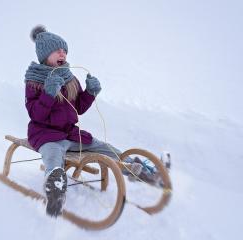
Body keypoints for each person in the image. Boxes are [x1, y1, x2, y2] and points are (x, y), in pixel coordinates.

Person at [24, 25, 166, 217]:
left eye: (65, 50)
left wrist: (90, 92)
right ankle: (55, 189)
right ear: (45, 54)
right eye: (57, 49)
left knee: (104, 147)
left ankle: (138, 170)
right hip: (46, 135)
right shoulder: (34, 81)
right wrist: (48, 93)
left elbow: (79, 108)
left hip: (70, 133)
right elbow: (36, 115)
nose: (62, 53)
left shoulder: (70, 78)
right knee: (52, 155)